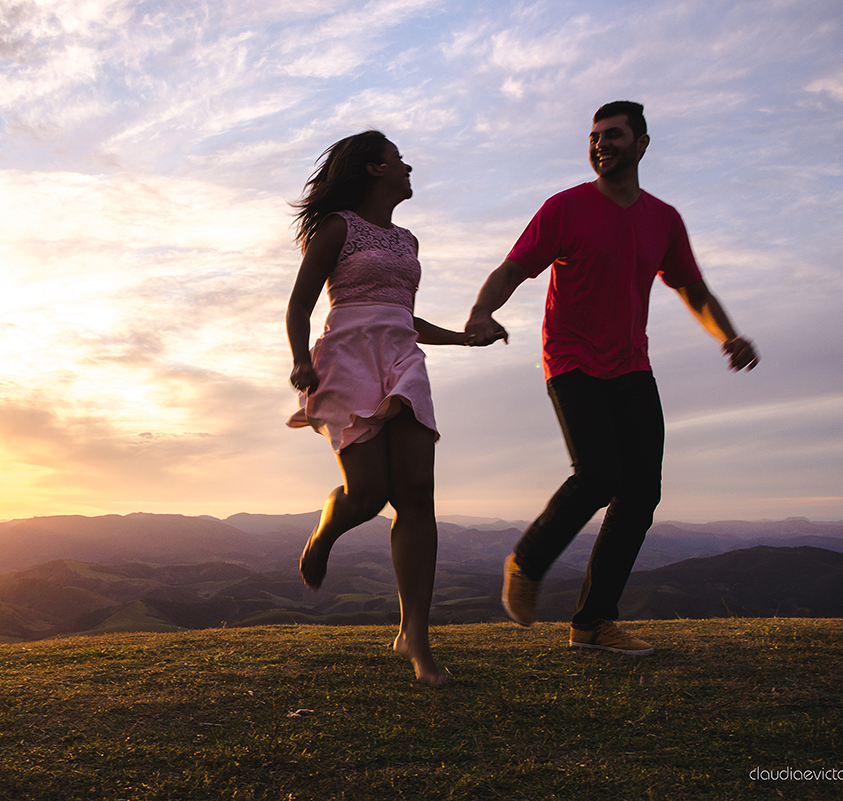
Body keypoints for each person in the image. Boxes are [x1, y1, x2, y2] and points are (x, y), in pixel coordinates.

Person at [466, 101, 758, 657]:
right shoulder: (565, 208)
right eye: (595, 136)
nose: (602, 144)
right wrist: (482, 311)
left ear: (643, 144)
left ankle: (593, 624)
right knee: (599, 474)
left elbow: (692, 288)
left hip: (632, 364)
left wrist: (727, 334)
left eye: (614, 136)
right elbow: (512, 268)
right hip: (571, 359)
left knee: (641, 491)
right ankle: (526, 562)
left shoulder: (663, 219)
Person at [286, 130, 503, 685]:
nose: (410, 169)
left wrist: (462, 338)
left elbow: (405, 317)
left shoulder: (407, 240)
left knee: (417, 496)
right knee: (368, 497)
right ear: (375, 169)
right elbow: (300, 304)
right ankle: (328, 530)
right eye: (400, 161)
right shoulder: (338, 229)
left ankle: (416, 637)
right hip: (348, 362)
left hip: (402, 362)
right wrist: (300, 362)